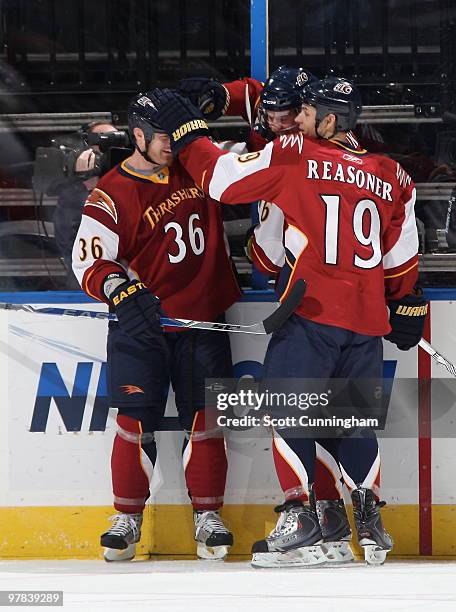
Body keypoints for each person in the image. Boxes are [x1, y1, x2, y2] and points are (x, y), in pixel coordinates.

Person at [145, 78, 428, 567]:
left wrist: (188, 131)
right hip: (365, 323)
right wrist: (407, 304)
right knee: (350, 421)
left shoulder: (296, 152)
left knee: (288, 412)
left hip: (311, 314)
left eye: (307, 111)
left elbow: (222, 182)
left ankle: (300, 517)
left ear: (331, 120)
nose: (297, 117)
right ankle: (368, 524)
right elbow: (401, 264)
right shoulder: (394, 175)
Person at [183, 68, 358, 564]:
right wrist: (222, 93)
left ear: (310, 114)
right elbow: (257, 92)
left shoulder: (296, 155)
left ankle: (310, 514)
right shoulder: (314, 135)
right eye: (273, 115)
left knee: (293, 409)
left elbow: (266, 255)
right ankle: (333, 518)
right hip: (345, 299)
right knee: (328, 414)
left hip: (307, 300)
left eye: (290, 114)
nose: (279, 121)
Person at [72, 93, 241, 561]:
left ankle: (208, 516)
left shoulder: (200, 167)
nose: (174, 144)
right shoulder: (111, 191)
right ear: (140, 136)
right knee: (132, 422)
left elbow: (247, 169)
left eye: (179, 134)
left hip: (203, 318)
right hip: (141, 325)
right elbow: (87, 261)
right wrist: (118, 288)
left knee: (206, 424)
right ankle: (127, 518)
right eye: (166, 135)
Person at [54, 121, 118, 288]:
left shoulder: (135, 186)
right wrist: (87, 187)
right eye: (103, 147)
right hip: (87, 285)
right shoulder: (72, 196)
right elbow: (69, 245)